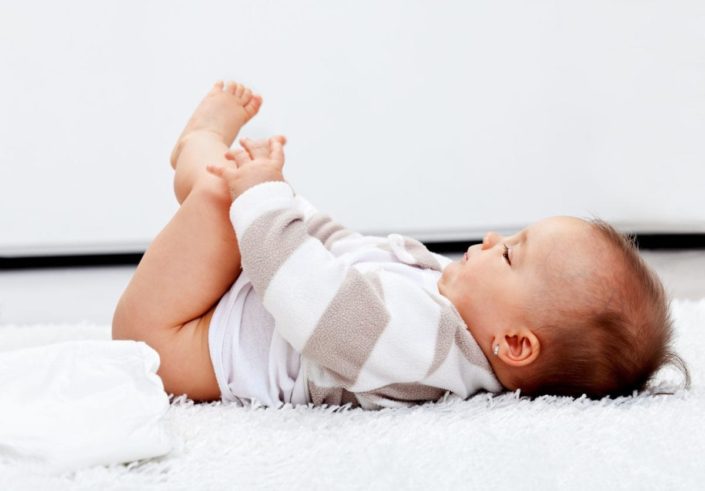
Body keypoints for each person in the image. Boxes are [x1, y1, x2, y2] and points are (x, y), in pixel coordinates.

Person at [112, 81, 689, 409]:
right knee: (244, 196)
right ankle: (205, 156)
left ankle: (197, 145)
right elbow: (342, 254)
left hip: (176, 344)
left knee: (222, 195)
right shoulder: (456, 307)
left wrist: (261, 204)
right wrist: (282, 202)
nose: (491, 240)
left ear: (514, 343)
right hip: (237, 301)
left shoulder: (426, 352)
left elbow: (313, 305)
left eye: (511, 253)